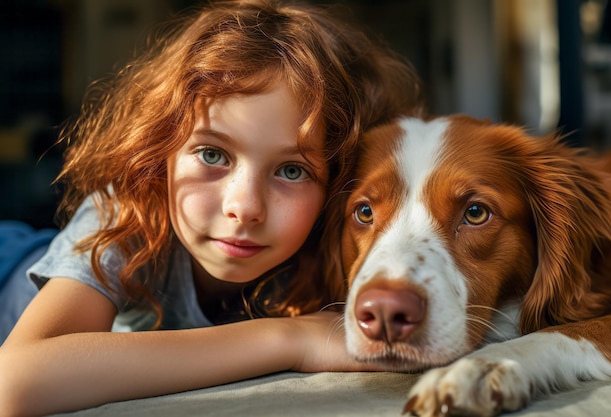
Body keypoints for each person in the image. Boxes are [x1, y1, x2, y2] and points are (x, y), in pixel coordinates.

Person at [0, 0, 422, 415]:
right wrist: (289, 339)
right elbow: (15, 383)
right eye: (213, 155)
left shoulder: (333, 244)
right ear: (158, 152)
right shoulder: (125, 216)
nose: (245, 207)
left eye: (292, 171)